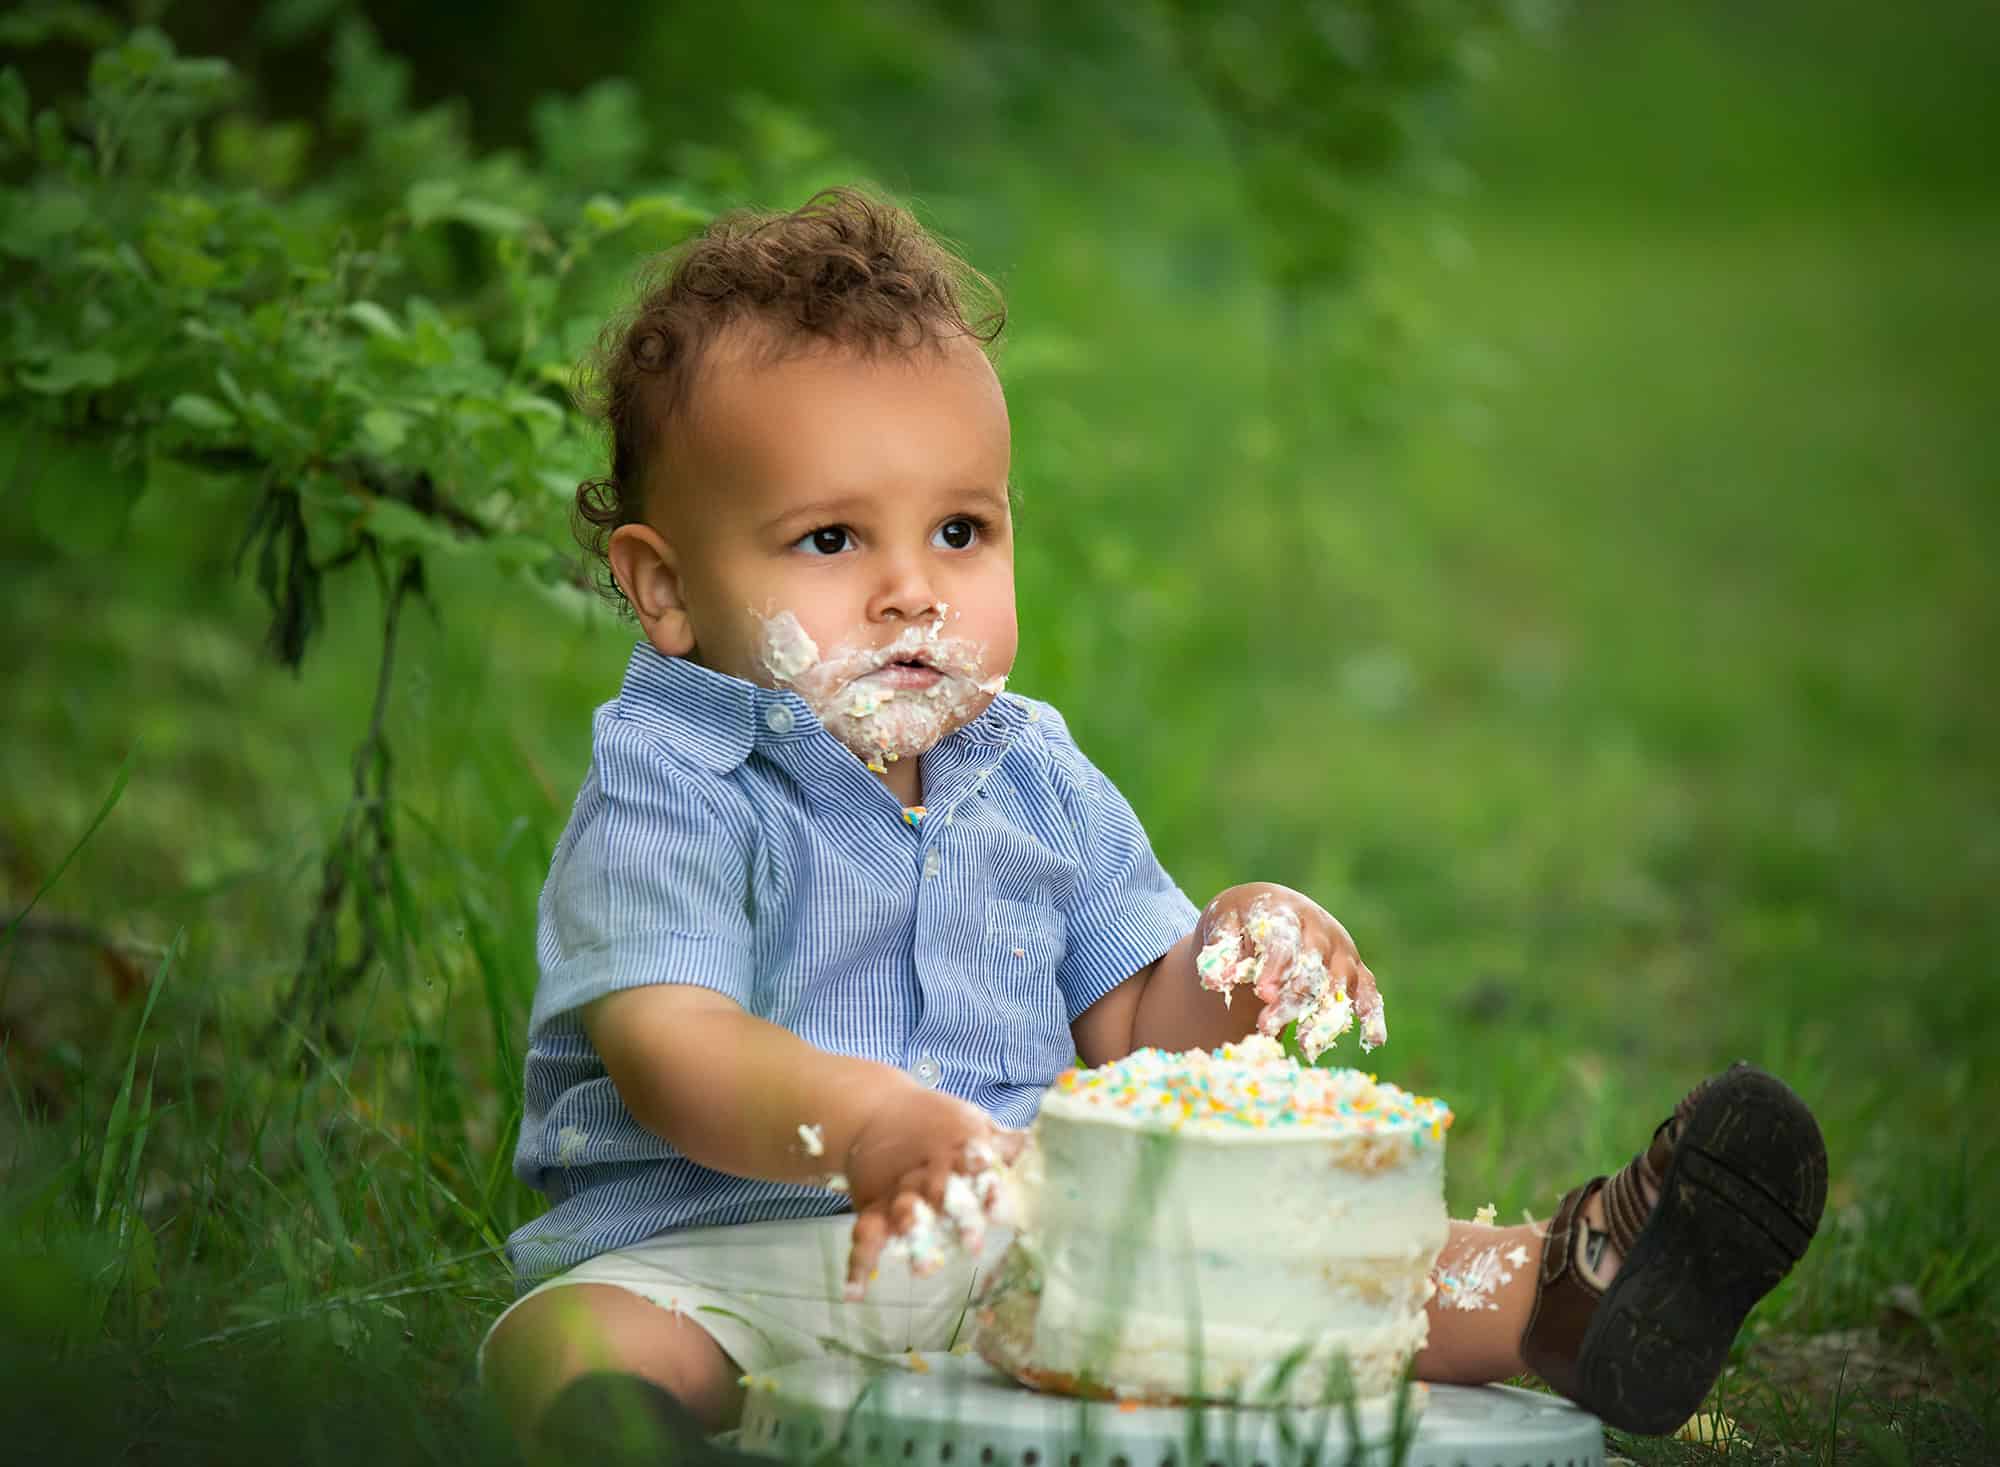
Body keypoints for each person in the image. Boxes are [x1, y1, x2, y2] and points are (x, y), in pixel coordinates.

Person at [480, 187, 1826, 1461]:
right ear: (664, 588)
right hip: (720, 1252)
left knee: (1290, 1266)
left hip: (1033, 1251)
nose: (911, 593)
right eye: (831, 542)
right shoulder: (675, 774)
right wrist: (875, 1125)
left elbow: (1136, 1052)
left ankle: (1563, 1286)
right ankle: (627, 1431)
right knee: (574, 1334)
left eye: (960, 531)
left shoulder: (1032, 774)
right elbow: (672, 1047)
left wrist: (1237, 957)